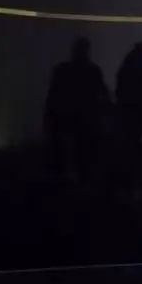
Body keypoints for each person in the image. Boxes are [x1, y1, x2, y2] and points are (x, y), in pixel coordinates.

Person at [44, 38, 109, 186]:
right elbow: (103, 96)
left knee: (69, 161)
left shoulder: (63, 71)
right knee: (81, 162)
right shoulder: (92, 71)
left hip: (70, 123)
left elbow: (53, 98)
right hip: (83, 124)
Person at [113, 42, 142, 192]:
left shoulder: (126, 70)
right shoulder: (141, 72)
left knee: (129, 150)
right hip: (134, 117)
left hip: (128, 117)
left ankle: (125, 184)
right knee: (133, 151)